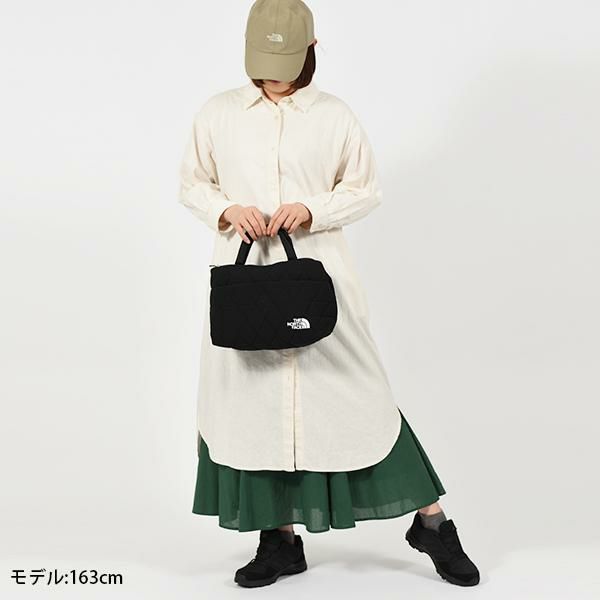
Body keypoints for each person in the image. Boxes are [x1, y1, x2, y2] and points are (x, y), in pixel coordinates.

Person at [178, 0, 480, 589]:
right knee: (253, 410)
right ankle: (279, 540)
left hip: (321, 281)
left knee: (363, 400)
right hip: (244, 283)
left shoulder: (335, 116)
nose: (274, 78)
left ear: (311, 52)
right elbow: (193, 183)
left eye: (286, 64)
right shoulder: (217, 114)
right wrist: (227, 208)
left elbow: (364, 189)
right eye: (263, 66)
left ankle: (433, 524)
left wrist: (313, 209)